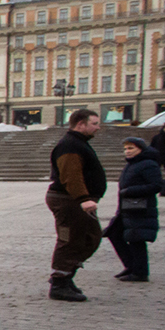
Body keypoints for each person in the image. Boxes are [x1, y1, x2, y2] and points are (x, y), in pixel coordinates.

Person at [46, 108, 106, 301]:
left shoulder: (78, 143)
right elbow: (71, 175)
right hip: (69, 200)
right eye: (94, 124)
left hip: (75, 200)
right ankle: (59, 283)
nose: (98, 127)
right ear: (81, 124)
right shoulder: (70, 145)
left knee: (90, 237)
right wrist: (83, 198)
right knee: (70, 239)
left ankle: (67, 275)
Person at [104, 137, 163, 282]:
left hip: (140, 208)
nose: (127, 151)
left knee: (136, 239)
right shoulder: (132, 164)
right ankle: (131, 266)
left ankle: (140, 272)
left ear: (140, 149)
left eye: (131, 148)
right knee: (114, 233)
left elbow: (156, 185)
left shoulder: (148, 164)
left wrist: (131, 191)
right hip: (127, 208)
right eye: (125, 149)